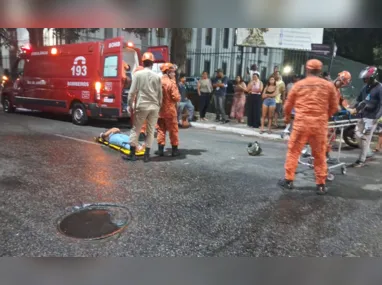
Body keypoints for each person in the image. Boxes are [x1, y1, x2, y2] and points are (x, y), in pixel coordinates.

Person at [278, 59, 338, 195]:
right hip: (319, 125)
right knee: (319, 154)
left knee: (294, 151)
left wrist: (287, 118)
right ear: (320, 71)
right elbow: (334, 107)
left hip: (301, 123)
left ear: (307, 70)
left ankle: (288, 180)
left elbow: (288, 105)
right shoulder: (328, 86)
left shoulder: (299, 85)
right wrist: (324, 116)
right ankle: (321, 184)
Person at [127, 52, 162, 162]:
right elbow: (160, 94)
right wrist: (158, 106)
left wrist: (130, 104)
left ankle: (132, 154)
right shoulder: (157, 77)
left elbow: (132, 92)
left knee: (136, 129)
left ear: (143, 62)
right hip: (154, 106)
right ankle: (147, 155)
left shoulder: (138, 75)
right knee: (151, 131)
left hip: (142, 105)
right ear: (152, 63)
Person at [348, 66, 382, 167]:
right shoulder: (365, 88)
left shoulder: (380, 88)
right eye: (364, 78)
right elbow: (359, 100)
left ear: (373, 77)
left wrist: (377, 117)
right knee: (357, 135)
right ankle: (368, 153)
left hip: (372, 117)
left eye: (367, 78)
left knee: (365, 139)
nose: (365, 79)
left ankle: (361, 160)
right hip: (363, 115)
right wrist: (353, 108)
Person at [156, 63, 181, 157]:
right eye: (173, 72)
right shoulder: (171, 83)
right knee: (173, 130)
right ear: (168, 72)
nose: (174, 74)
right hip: (170, 111)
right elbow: (176, 97)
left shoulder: (158, 81)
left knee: (160, 129)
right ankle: (174, 150)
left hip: (159, 111)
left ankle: (160, 150)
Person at [326, 70, 352, 163]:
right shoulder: (329, 87)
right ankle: (322, 155)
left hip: (331, 116)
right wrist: (335, 106)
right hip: (325, 116)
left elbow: (341, 101)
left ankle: (326, 154)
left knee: (331, 137)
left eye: (343, 84)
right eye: (341, 83)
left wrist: (348, 108)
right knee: (326, 136)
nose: (342, 85)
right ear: (339, 79)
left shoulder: (337, 90)